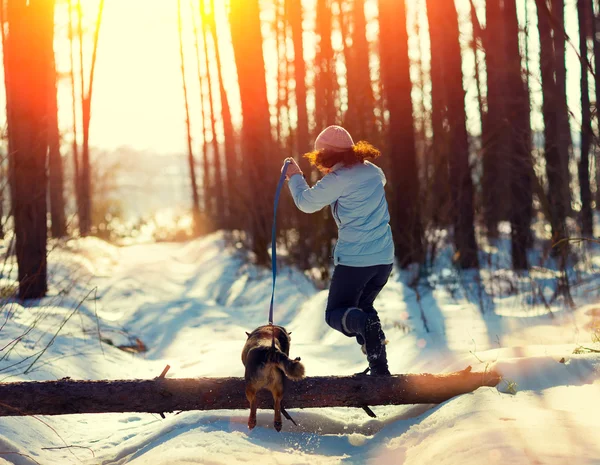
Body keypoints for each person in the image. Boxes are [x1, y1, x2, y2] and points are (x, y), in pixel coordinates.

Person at [283, 125, 394, 376]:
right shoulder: (374, 172)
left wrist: (295, 176)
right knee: (364, 306)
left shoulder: (339, 179)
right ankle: (380, 370)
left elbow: (306, 203)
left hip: (356, 261)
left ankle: (366, 328)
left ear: (327, 155)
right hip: (384, 260)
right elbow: (378, 181)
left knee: (336, 313)